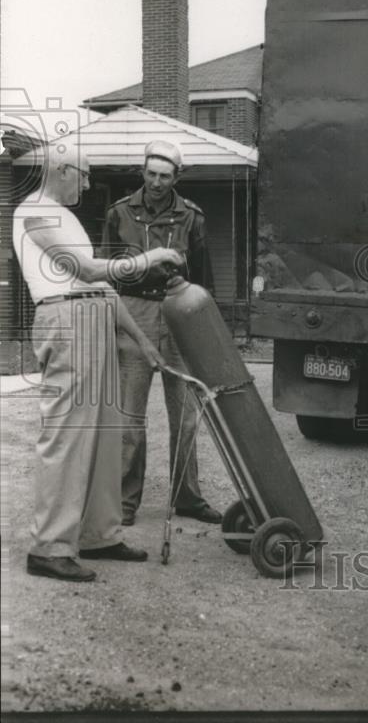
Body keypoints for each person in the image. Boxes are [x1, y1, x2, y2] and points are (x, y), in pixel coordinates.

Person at [13, 144, 183, 582]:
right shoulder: (33, 210)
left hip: (94, 315)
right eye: (84, 175)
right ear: (61, 169)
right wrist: (149, 258)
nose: (88, 184)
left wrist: (141, 340)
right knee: (68, 434)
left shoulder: (66, 215)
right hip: (66, 320)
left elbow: (102, 289)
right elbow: (86, 271)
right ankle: (49, 545)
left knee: (107, 431)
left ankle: (97, 533)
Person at [102, 140, 221, 526]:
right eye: (150, 174)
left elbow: (204, 280)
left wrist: (208, 330)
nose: (156, 182)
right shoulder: (118, 213)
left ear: (177, 177)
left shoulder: (192, 217)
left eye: (164, 176)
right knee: (130, 417)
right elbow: (105, 277)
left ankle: (187, 497)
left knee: (186, 417)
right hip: (133, 312)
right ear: (143, 171)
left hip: (179, 314)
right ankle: (124, 501)